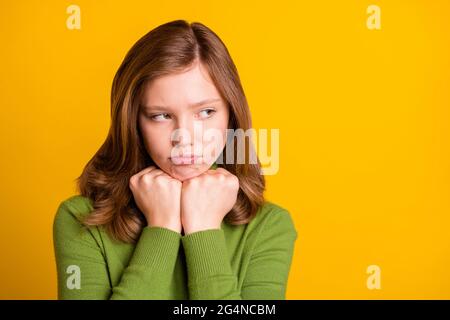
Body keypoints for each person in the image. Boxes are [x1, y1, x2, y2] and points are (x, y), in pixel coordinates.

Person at [53, 19, 297, 299]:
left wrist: (204, 232)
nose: (184, 137)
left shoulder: (269, 227)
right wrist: (161, 229)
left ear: (231, 114)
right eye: (161, 115)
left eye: (205, 112)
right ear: (133, 122)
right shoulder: (81, 220)